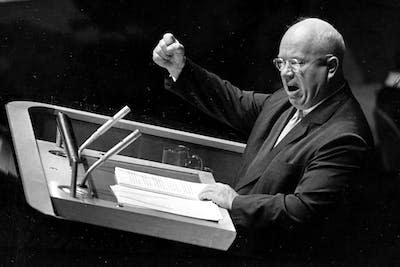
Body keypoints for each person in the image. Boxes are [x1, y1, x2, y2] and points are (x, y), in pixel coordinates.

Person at [152, 18, 373, 254]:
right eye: (281, 62)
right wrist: (180, 68)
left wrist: (234, 202)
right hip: (240, 244)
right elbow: (235, 102)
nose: (286, 73)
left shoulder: (346, 136)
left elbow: (303, 209)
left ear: (330, 67)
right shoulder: (285, 102)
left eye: (296, 63)